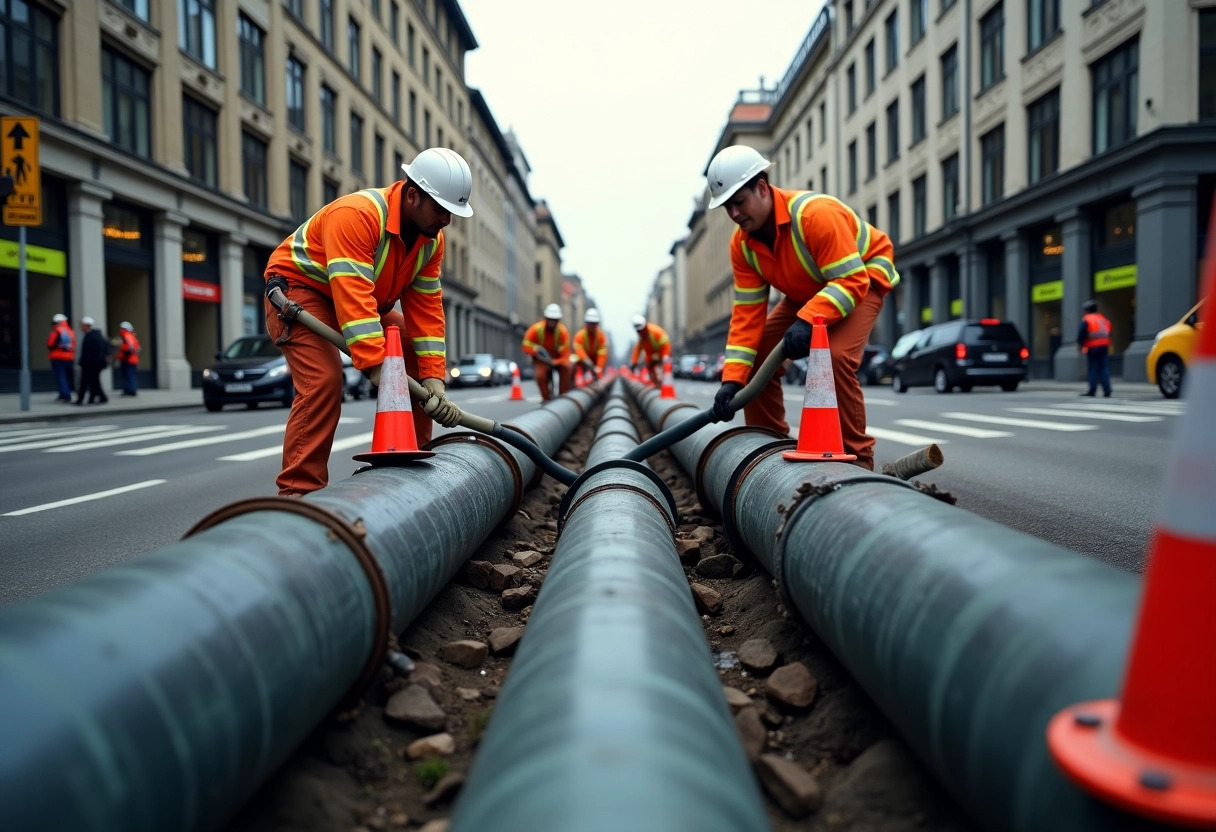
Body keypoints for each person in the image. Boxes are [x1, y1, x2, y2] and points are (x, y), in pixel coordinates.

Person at [264, 147, 471, 496]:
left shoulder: (430, 241)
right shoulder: (357, 215)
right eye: (441, 209)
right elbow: (352, 295)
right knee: (324, 381)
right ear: (411, 195)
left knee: (411, 346)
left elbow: (426, 310)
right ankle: (298, 494)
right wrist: (377, 365)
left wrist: (433, 378)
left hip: (360, 300)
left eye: (452, 212)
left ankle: (413, 465)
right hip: (299, 293)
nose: (447, 220)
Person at [704, 145, 899, 472]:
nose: (734, 214)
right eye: (727, 207)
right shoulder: (742, 245)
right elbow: (747, 316)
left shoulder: (815, 214)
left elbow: (851, 280)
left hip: (863, 275)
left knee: (833, 357)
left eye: (739, 202)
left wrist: (808, 320)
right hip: (811, 291)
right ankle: (767, 449)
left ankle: (860, 462)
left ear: (762, 188)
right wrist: (733, 381)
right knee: (759, 353)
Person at [522, 303, 571, 401]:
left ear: (558, 321)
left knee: (567, 368)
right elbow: (525, 345)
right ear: (545, 318)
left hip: (556, 358)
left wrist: (554, 362)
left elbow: (565, 354)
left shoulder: (562, 332)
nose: (552, 322)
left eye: (554, 320)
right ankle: (546, 398)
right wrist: (536, 350)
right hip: (541, 359)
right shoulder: (536, 329)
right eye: (550, 319)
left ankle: (563, 396)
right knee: (540, 375)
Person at [1077, 299, 1112, 397]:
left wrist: (1080, 344)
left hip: (1092, 347)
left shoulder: (1087, 319)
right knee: (1104, 368)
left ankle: (1092, 390)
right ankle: (1107, 390)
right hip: (1104, 346)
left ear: (1087, 310)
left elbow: (1081, 333)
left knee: (1093, 368)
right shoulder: (1102, 318)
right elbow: (1109, 330)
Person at [629, 315, 670, 390]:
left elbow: (665, 344)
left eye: (641, 330)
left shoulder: (655, 331)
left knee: (663, 369)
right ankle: (656, 384)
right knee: (650, 367)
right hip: (651, 355)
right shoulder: (642, 336)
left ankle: (664, 385)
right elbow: (637, 349)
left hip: (661, 353)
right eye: (638, 331)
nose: (639, 332)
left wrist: (665, 356)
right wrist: (634, 362)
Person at [75, 317, 110, 405]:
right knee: (94, 381)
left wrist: (86, 363)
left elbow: (90, 352)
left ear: (87, 326)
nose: (81, 327)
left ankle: (81, 400)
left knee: (85, 382)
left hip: (91, 364)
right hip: (94, 364)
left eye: (82, 325)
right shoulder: (96, 336)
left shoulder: (92, 337)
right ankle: (100, 398)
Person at [573, 308, 608, 380]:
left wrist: (599, 368)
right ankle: (573, 384)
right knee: (572, 364)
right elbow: (579, 350)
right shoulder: (580, 335)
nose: (592, 326)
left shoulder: (601, 336)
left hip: (595, 361)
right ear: (586, 323)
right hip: (582, 361)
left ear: (597, 324)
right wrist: (587, 361)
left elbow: (602, 354)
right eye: (590, 323)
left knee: (598, 375)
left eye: (594, 324)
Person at [47, 313, 75, 402]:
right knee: (66, 377)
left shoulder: (56, 331)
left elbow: (50, 344)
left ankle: (65, 395)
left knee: (60, 377)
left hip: (57, 357)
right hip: (69, 357)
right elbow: (74, 344)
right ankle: (65, 394)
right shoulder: (70, 331)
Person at [115, 321, 141, 396]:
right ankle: (129, 389)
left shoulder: (127, 336)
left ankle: (130, 390)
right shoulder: (133, 337)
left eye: (122, 328)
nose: (121, 330)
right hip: (131, 359)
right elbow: (138, 349)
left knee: (128, 375)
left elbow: (130, 348)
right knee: (129, 375)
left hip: (128, 360)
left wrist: (124, 355)